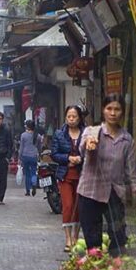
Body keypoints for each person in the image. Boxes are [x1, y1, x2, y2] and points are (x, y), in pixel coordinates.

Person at [77, 94, 136, 270]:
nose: (113, 113)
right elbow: (83, 149)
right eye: (109, 108)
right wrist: (89, 145)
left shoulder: (127, 140)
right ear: (103, 110)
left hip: (114, 193)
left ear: (122, 112)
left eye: (117, 109)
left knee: (118, 235)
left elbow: (133, 172)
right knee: (92, 237)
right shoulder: (92, 132)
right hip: (90, 192)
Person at [51, 105, 85, 250]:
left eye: (74, 117)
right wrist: (68, 158)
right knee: (68, 206)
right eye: (69, 117)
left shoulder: (86, 133)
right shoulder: (59, 134)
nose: (71, 120)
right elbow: (54, 153)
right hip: (65, 175)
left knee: (79, 207)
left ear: (79, 118)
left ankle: (76, 237)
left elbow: (92, 152)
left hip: (82, 176)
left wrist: (81, 159)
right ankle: (68, 238)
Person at [19, 119, 41, 196]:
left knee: (27, 174)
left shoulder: (23, 135)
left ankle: (28, 191)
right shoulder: (38, 136)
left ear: (28, 127)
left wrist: (19, 157)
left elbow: (21, 147)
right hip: (34, 156)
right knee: (33, 172)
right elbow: (39, 147)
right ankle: (34, 184)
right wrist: (40, 155)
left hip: (25, 156)